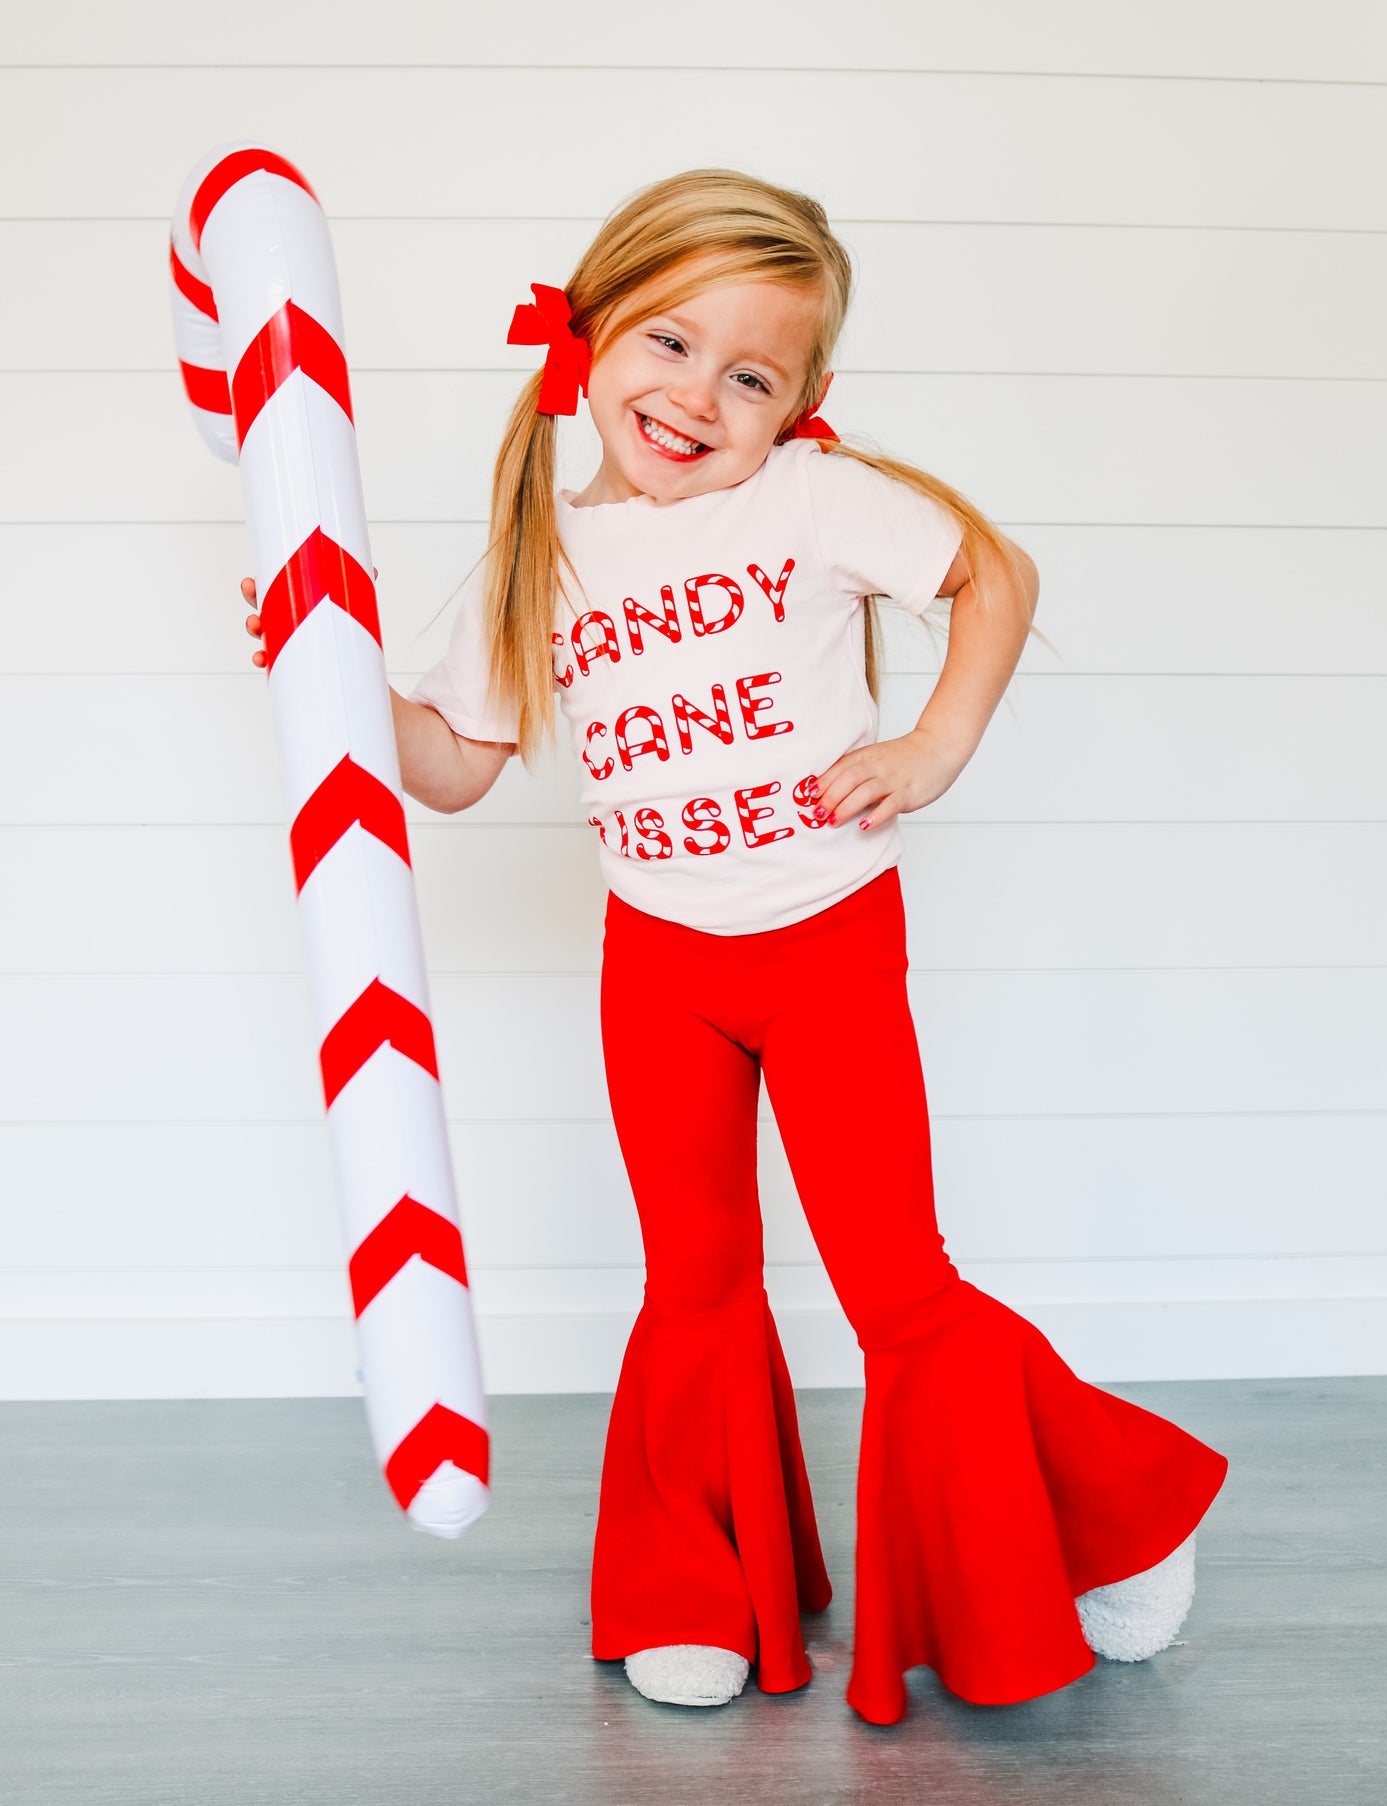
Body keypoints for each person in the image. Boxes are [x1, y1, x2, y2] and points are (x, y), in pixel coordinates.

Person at [242, 167, 1227, 1727]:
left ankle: (1109, 1523)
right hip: (660, 962)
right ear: (589, 339)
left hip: (824, 937)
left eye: (750, 373)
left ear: (801, 400)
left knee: (898, 1288)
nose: (697, 394)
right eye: (669, 344)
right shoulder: (539, 555)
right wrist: (338, 682)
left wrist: (932, 742)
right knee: (694, 1281)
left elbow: (993, 572)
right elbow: (454, 763)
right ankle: (695, 1583)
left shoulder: (813, 501)